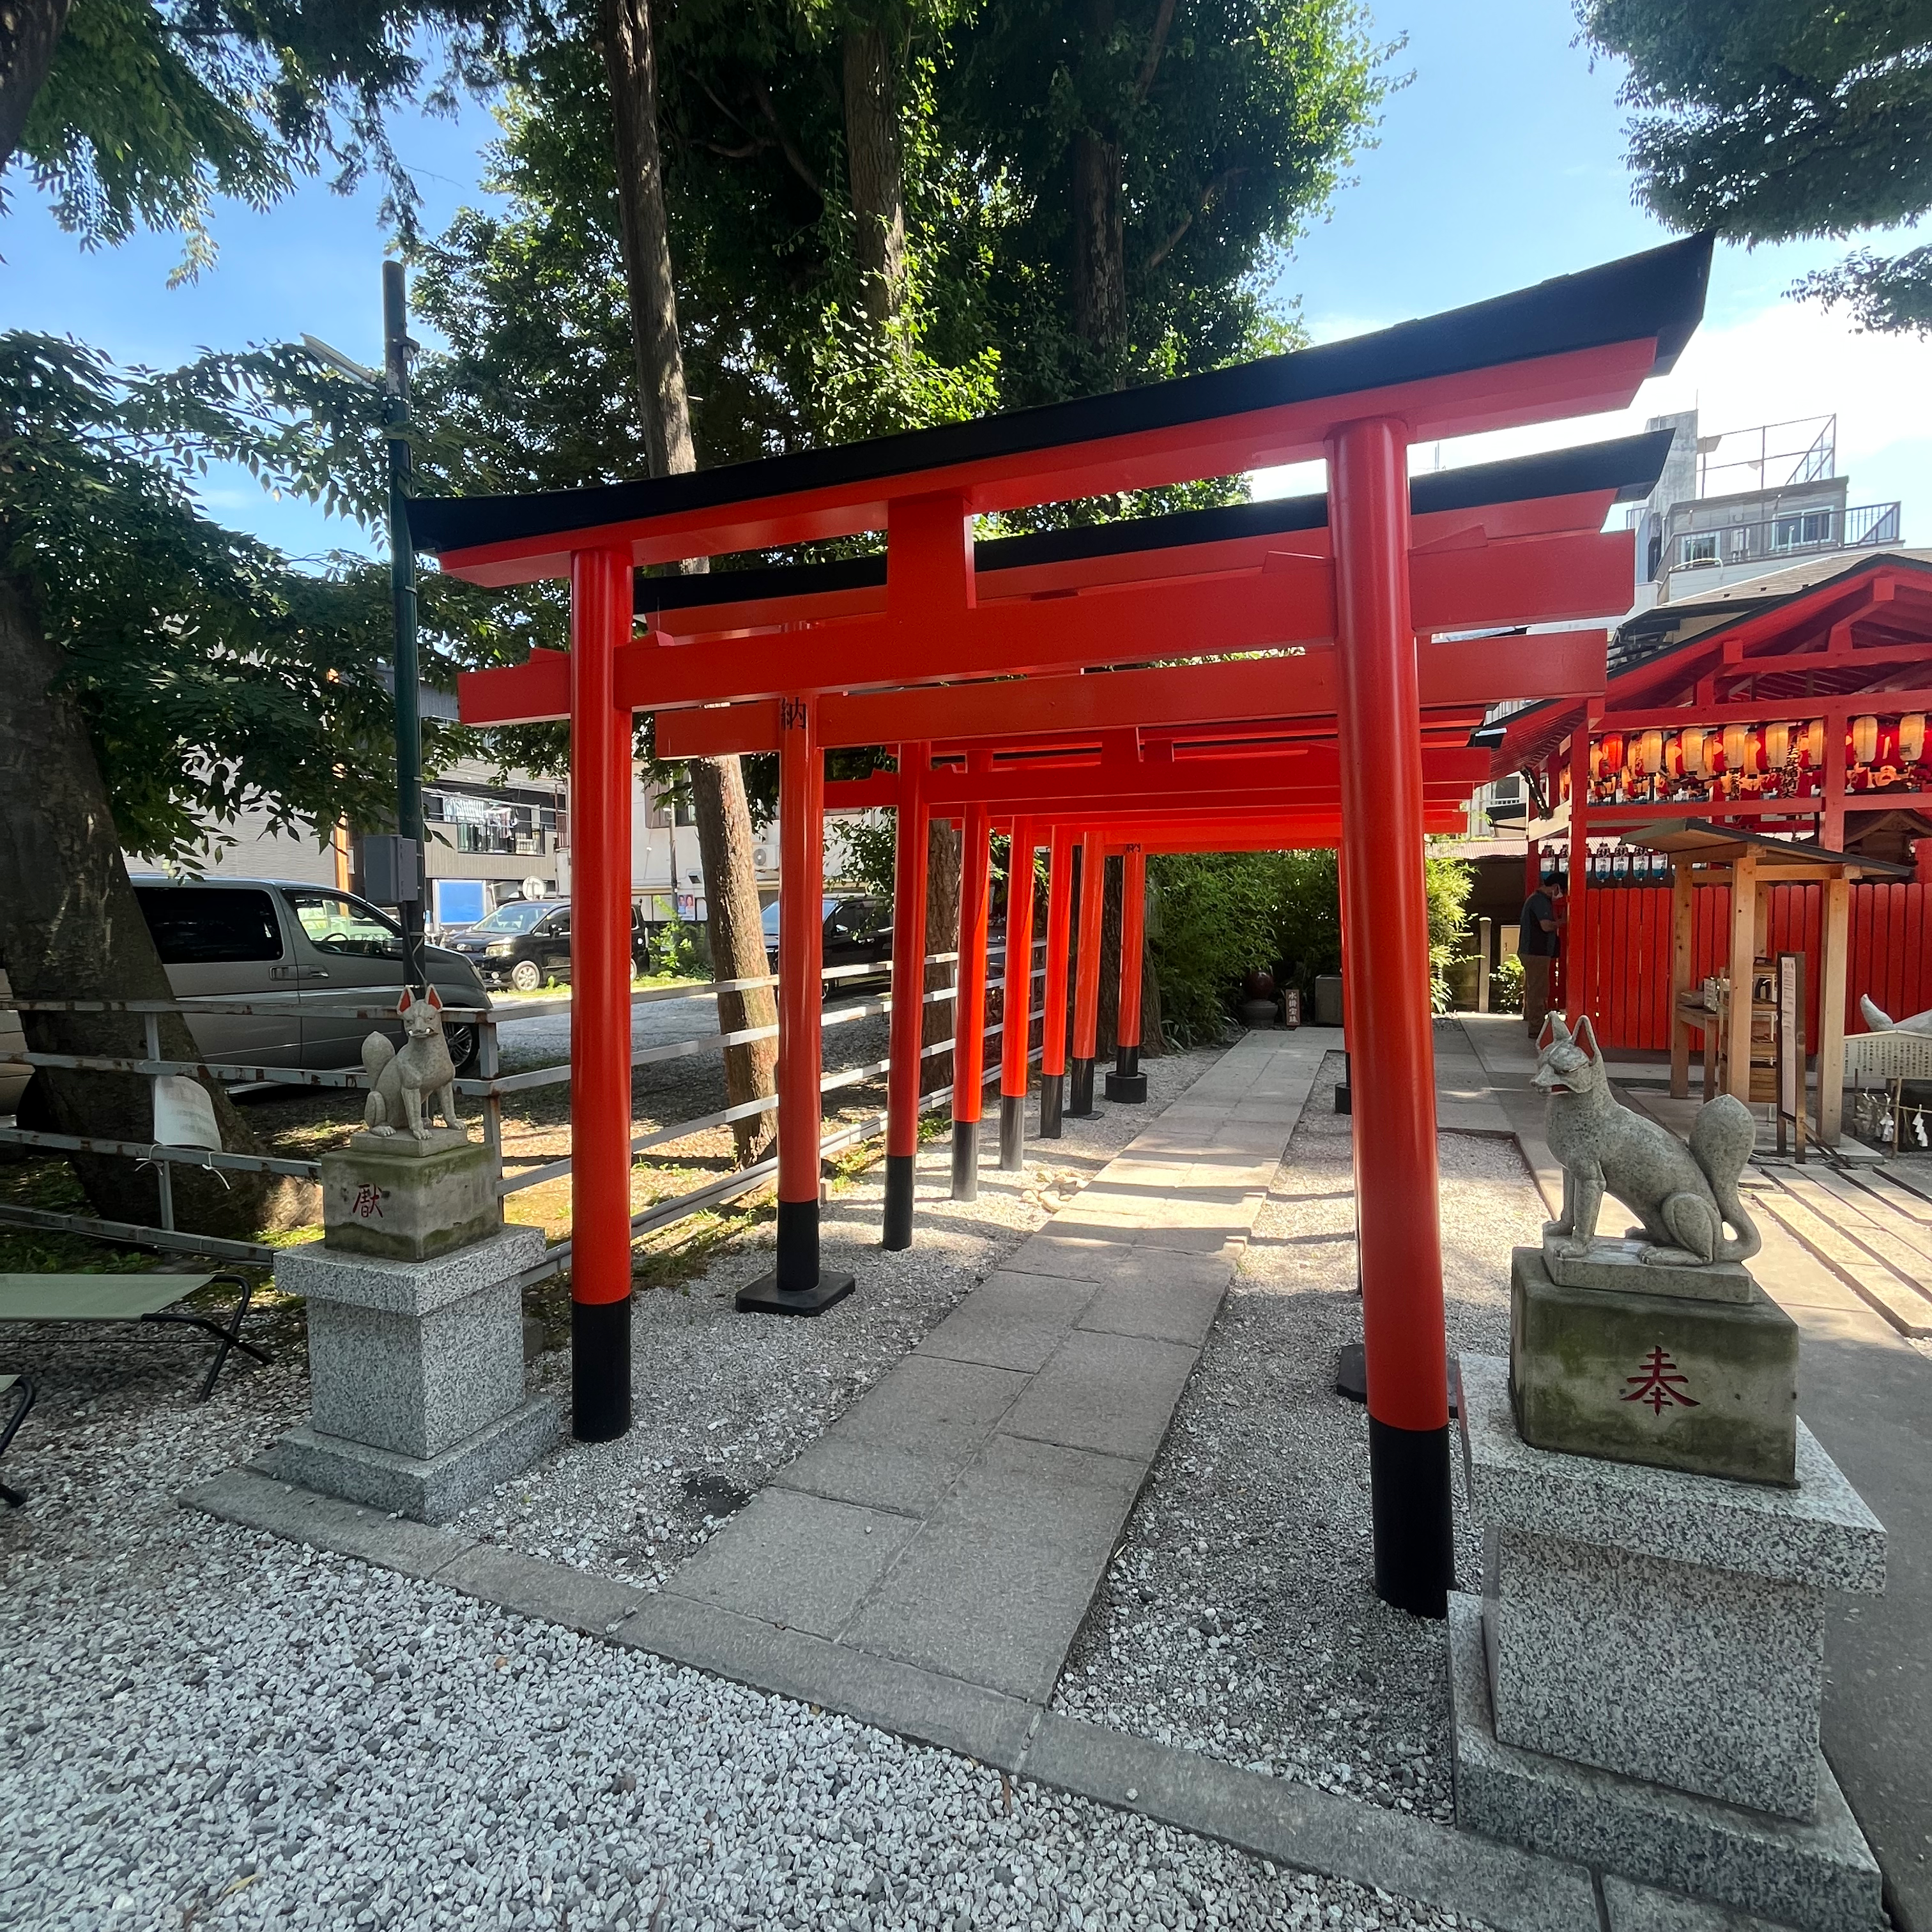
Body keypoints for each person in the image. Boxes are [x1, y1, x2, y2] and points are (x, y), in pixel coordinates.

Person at [1518, 880, 1560, 1038]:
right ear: (1555, 887)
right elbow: (1546, 926)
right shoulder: (1540, 901)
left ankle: (1534, 1022)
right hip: (1537, 953)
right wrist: (1561, 923)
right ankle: (1537, 1029)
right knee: (1538, 991)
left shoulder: (1535, 899)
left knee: (1532, 989)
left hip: (1531, 952)